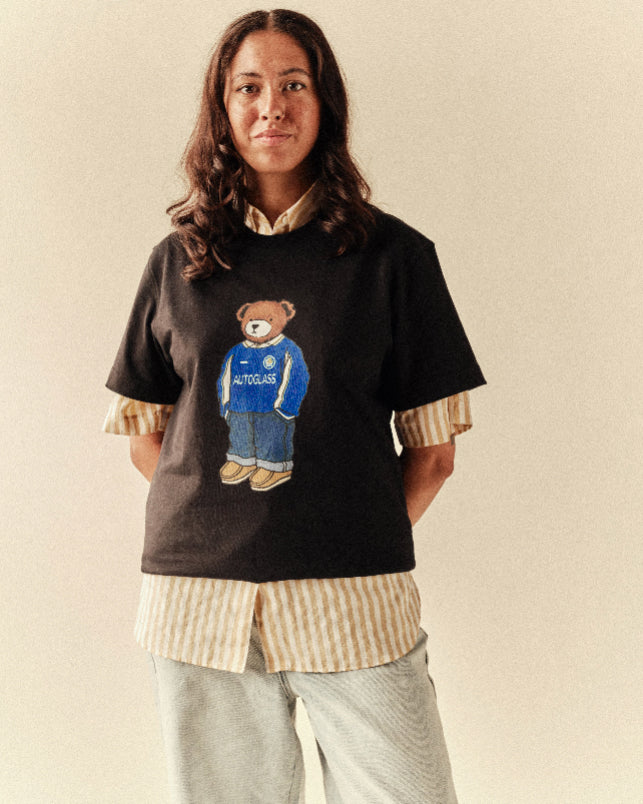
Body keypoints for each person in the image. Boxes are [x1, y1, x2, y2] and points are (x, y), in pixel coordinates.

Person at [103, 9, 485, 803]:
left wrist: (340, 528)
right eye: (248, 87)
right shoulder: (175, 261)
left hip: (355, 598)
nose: (270, 106)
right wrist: (230, 522)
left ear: (324, 102)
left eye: (292, 85)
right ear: (222, 107)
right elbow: (147, 436)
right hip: (196, 607)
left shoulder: (395, 258)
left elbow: (434, 453)